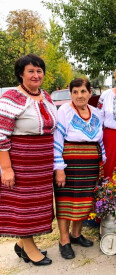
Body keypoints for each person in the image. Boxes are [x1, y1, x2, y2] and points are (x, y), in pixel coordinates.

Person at [0, 54, 57, 265]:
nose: (36, 75)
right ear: (21, 74)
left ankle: (22, 245)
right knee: (23, 205)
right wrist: (6, 168)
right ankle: (30, 249)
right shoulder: (11, 98)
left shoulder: (47, 96)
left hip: (42, 163)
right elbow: (1, 134)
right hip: (21, 161)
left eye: (39, 70)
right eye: (31, 71)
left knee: (38, 205)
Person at [54, 78, 106, 259]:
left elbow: (100, 139)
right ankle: (64, 240)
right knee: (66, 201)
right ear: (71, 94)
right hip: (70, 162)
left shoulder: (97, 113)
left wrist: (103, 160)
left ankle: (76, 234)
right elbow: (57, 140)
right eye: (75, 92)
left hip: (91, 162)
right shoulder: (64, 111)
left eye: (83, 91)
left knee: (84, 199)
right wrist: (59, 167)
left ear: (90, 93)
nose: (79, 95)